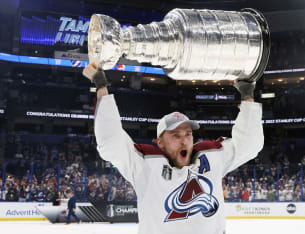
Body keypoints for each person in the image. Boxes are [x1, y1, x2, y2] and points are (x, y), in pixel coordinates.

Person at [82, 64, 264, 234]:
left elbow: (249, 144)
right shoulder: (145, 165)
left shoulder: (211, 157)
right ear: (160, 142)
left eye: (188, 134)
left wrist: (248, 97)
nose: (184, 141)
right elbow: (111, 142)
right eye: (175, 136)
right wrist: (102, 87)